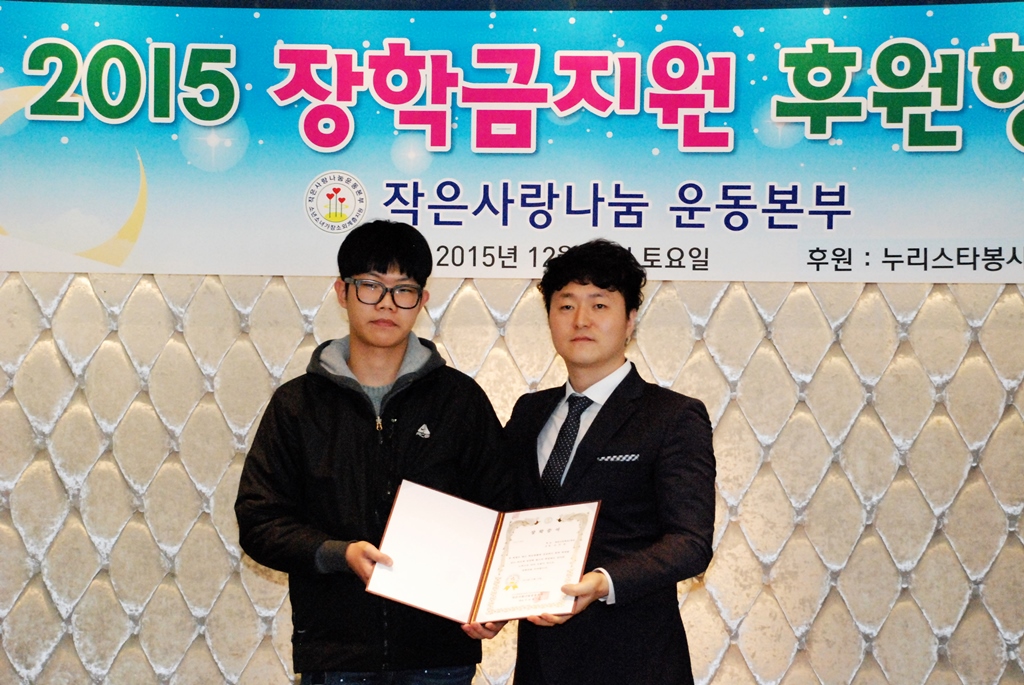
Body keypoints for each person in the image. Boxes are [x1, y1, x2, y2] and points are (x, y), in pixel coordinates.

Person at [235, 219, 510, 685]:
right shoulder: (297, 404)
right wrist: (337, 554)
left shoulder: (459, 401)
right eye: (370, 286)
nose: (386, 304)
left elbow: (502, 511)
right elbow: (259, 520)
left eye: (403, 290)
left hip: (440, 653)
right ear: (342, 292)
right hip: (337, 655)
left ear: (422, 300)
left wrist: (495, 600)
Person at [501, 239, 716, 684]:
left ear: (630, 319)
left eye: (599, 305)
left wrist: (603, 580)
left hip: (636, 660)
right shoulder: (528, 412)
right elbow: (502, 518)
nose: (581, 320)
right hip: (541, 663)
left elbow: (690, 542)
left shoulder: (672, 415)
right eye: (566, 306)